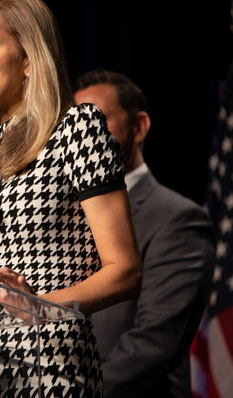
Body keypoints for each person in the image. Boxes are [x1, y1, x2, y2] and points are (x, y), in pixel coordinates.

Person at [0, 0, 142, 397]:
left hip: (49, 368)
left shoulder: (75, 131)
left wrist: (41, 306)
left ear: (29, 59)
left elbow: (124, 270)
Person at [73, 69, 216, 398]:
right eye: (74, 127)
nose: (83, 138)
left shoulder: (179, 219)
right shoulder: (64, 216)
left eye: (97, 122)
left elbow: (153, 344)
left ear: (140, 127)